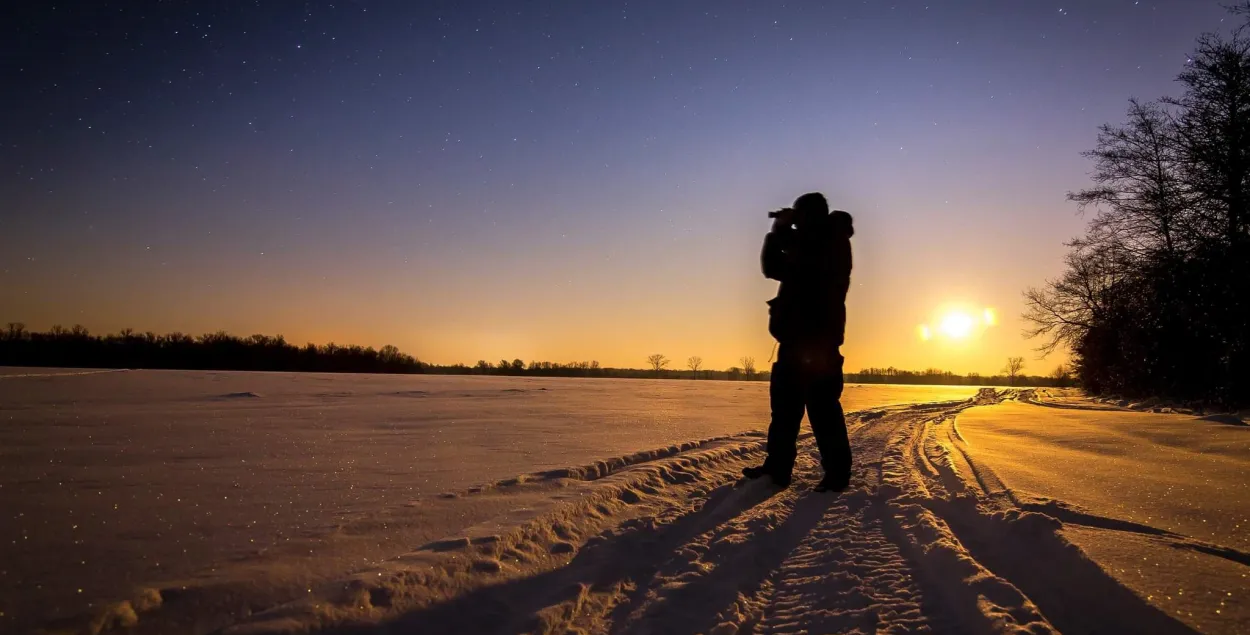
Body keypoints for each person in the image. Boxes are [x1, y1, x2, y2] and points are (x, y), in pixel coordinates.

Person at [743, 192, 854, 492]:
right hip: (793, 342)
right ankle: (777, 470)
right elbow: (772, 267)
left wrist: (781, 231)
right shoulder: (813, 240)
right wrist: (782, 230)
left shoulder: (830, 241)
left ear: (809, 216)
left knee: (823, 410)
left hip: (819, 343)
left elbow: (792, 261)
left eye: (798, 214)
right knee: (784, 412)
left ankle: (837, 476)